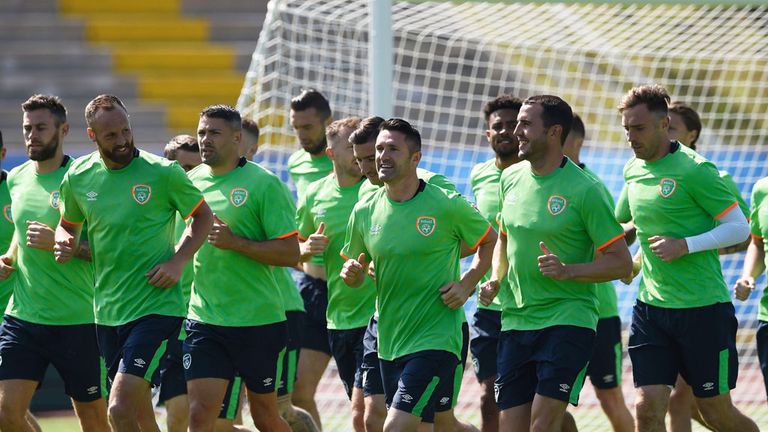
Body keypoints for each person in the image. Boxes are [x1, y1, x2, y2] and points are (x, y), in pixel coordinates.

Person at [54, 94, 214, 432]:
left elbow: (202, 217)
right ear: (92, 135)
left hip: (156, 308)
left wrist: (178, 261)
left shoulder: (163, 172)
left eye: (126, 131)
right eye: (111, 135)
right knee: (141, 417)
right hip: (107, 312)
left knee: (118, 408)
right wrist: (63, 239)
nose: (123, 140)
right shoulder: (79, 176)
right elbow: (67, 224)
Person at [480, 95, 631, 432]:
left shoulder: (586, 189)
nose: (516, 131)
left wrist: (569, 271)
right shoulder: (510, 178)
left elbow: (621, 263)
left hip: (567, 320)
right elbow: (504, 238)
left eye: (525, 124)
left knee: (541, 427)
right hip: (517, 321)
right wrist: (495, 278)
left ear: (553, 132)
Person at [614, 84, 756, 432]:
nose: (631, 137)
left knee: (716, 414)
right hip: (651, 309)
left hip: (703, 310)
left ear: (664, 124)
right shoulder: (632, 169)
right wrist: (627, 259)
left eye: (639, 128)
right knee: (646, 410)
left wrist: (685, 245)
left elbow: (740, 228)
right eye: (627, 129)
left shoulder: (697, 170)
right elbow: (630, 226)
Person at [341, 118, 496, 432]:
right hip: (389, 338)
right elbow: (356, 269)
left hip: (435, 338)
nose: (383, 156)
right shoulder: (365, 209)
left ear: (415, 158)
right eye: (379, 149)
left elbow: (490, 239)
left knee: (394, 427)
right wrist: (352, 274)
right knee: (433, 426)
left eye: (392, 149)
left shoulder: (445, 204)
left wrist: (467, 283)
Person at [184, 105, 298, 432]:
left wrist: (237, 243)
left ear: (236, 138)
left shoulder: (264, 184)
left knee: (264, 417)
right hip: (205, 318)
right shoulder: (189, 183)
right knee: (200, 416)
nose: (205, 139)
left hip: (257, 320)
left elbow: (291, 253)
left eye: (214, 133)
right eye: (202, 132)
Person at [0, 95, 108, 432]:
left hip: (78, 319)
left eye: (41, 128)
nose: (32, 135)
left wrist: (64, 243)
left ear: (63, 130)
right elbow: (22, 228)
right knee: (6, 413)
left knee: (92, 419)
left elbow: (110, 251)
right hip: (23, 317)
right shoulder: (16, 179)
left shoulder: (86, 180)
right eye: (27, 128)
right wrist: (9, 258)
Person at [159, 134, 249, 432]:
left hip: (214, 327)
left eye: (195, 168)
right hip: (171, 328)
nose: (190, 177)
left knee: (220, 426)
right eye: (184, 169)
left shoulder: (215, 216)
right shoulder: (153, 218)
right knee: (177, 419)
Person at [297, 117, 372, 432]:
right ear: (330, 153)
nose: (357, 153)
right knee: (302, 393)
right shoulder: (315, 194)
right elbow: (298, 249)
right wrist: (306, 248)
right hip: (335, 312)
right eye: (349, 147)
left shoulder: (378, 190)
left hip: (378, 313)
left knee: (368, 413)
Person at [562, 114, 634, 432]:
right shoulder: (532, 182)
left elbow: (616, 239)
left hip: (599, 312)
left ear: (574, 141)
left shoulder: (593, 188)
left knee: (610, 398)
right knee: (547, 402)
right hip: (557, 313)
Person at [468, 94, 523, 432]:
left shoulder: (541, 174)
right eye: (496, 126)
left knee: (535, 403)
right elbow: (480, 234)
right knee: (489, 395)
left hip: (532, 303)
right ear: (488, 135)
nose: (505, 131)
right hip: (490, 303)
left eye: (512, 125)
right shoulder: (479, 175)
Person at [288, 89, 334, 429]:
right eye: (296, 127)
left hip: (357, 292)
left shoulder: (350, 160)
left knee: (374, 400)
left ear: (327, 123)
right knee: (299, 392)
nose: (302, 135)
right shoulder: (296, 162)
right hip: (314, 288)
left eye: (308, 127)